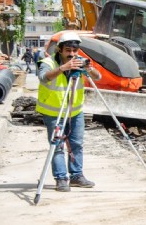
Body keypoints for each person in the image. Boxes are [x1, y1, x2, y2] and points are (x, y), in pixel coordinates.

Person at [37, 31, 101, 192]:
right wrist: (63, 68)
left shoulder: (79, 62)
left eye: (74, 51)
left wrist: (89, 68)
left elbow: (98, 77)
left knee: (77, 144)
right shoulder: (48, 62)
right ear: (60, 50)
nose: (71, 54)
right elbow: (44, 77)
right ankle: (61, 178)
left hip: (75, 111)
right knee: (57, 145)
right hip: (54, 111)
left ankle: (76, 175)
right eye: (68, 50)